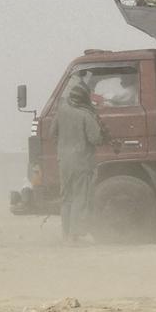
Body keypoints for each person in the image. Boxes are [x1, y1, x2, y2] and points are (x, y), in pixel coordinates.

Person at [52, 84, 107, 243]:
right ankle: (74, 236)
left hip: (64, 161)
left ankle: (65, 235)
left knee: (66, 198)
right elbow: (96, 139)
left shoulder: (61, 112)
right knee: (79, 198)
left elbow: (51, 132)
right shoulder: (86, 115)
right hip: (81, 162)